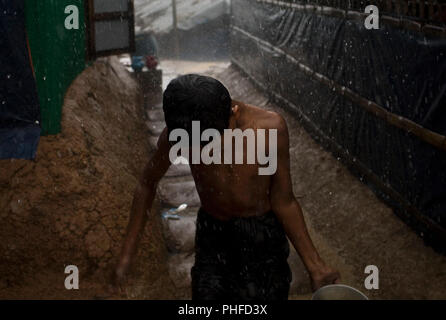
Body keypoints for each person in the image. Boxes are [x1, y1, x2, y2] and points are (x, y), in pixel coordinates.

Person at [112, 74, 340, 300]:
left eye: (211, 138)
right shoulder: (183, 131)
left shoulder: (269, 129)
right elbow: (146, 184)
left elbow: (284, 200)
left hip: (263, 236)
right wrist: (126, 255)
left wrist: (315, 265)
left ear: (234, 111)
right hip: (213, 234)